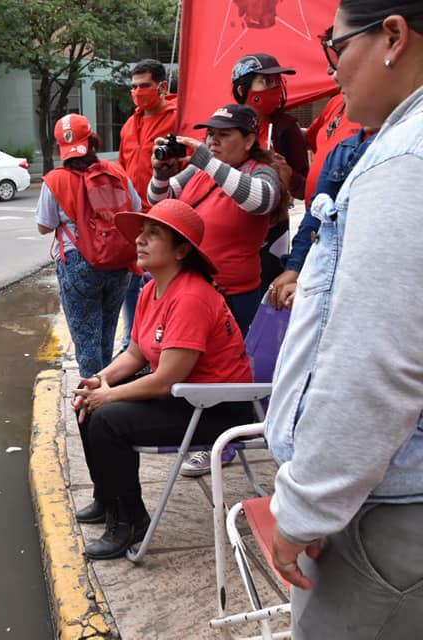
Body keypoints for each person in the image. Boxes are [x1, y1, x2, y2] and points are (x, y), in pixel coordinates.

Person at [265, 3, 423, 637]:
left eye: (337, 48)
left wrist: (304, 510)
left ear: (393, 35)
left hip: (386, 515)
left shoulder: (403, 161)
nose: (332, 73)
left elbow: (374, 363)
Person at [72, 199, 254, 559]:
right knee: (88, 401)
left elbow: (166, 378)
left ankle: (129, 522)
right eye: (142, 231)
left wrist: (110, 397)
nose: (140, 240)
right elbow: (136, 354)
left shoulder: (190, 297)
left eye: (154, 234)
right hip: (185, 396)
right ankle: (108, 500)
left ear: (182, 250)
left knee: (108, 418)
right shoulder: (149, 289)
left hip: (217, 408)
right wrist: (100, 380)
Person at [147, 103, 290, 337]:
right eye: (210, 134)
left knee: (225, 369)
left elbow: (261, 199)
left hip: (232, 296)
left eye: (224, 135)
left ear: (248, 141)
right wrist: (161, 174)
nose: (213, 141)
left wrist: (208, 162)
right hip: (187, 288)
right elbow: (159, 199)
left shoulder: (260, 170)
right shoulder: (201, 170)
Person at [37, 113, 141, 379]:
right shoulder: (116, 171)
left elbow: (44, 225)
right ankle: (106, 390)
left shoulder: (55, 180)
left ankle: (93, 407)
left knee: (86, 339)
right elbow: (136, 208)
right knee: (107, 331)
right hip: (119, 261)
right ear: (92, 140)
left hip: (78, 264)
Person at [267, 125, 377, 310]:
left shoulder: (401, 148)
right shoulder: (342, 149)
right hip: (324, 273)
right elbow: (316, 214)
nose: (343, 93)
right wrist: (295, 267)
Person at [231, 53, 309, 292]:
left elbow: (304, 187)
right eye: (266, 81)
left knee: (267, 289)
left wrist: (287, 174)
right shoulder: (226, 125)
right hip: (233, 225)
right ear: (243, 88)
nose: (274, 87)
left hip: (273, 228)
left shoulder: (287, 127)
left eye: (277, 81)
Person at [117, 59, 178, 349]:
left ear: (162, 87)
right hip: (135, 216)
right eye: (134, 86)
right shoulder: (130, 124)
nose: (138, 92)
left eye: (144, 86)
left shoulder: (179, 117)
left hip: (167, 215)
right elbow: (122, 170)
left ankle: (158, 343)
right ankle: (132, 341)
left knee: (160, 281)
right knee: (133, 280)